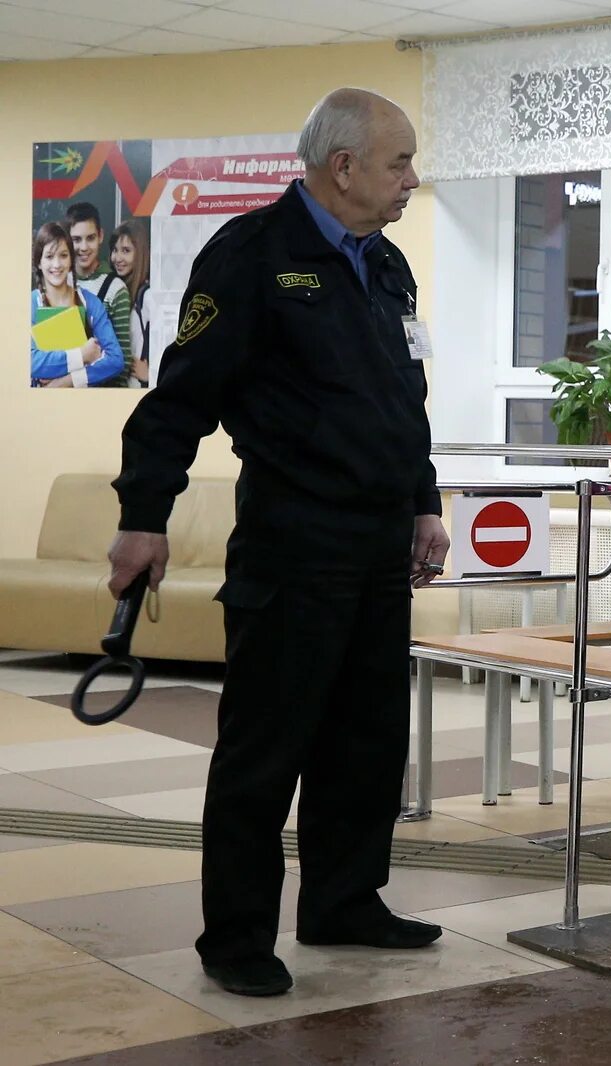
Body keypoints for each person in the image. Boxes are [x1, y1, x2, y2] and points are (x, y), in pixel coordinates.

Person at [106, 88, 447, 998]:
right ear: (343, 168)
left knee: (368, 743)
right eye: (399, 162)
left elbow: (404, 402)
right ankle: (238, 936)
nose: (412, 178)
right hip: (294, 547)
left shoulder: (389, 268)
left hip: (381, 548)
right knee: (267, 750)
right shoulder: (252, 257)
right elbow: (178, 401)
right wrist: (144, 517)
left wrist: (426, 502)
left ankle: (344, 901)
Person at [29, 221, 125, 388]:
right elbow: (30, 362)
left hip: (82, 404)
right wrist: (82, 355)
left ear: (71, 260)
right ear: (39, 262)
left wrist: (64, 382)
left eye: (64, 255)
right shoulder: (30, 304)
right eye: (49, 257)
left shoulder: (90, 303)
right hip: (40, 406)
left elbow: (115, 360)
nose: (57, 264)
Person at [65, 202, 133, 385]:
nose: (84, 247)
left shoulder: (115, 288)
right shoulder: (59, 284)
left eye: (90, 238)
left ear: (101, 236)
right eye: (76, 239)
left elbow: (123, 363)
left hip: (99, 395)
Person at [109, 220, 151, 387]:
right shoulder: (120, 291)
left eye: (126, 251)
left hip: (140, 389)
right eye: (115, 250)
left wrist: (151, 373)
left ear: (140, 253)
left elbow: (169, 339)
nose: (117, 258)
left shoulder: (147, 295)